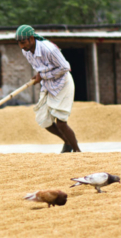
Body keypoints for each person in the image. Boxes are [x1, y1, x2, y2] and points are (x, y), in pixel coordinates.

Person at [16, 24, 80, 153]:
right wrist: (39, 75)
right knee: (44, 120)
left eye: (23, 42)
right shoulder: (26, 51)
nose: (22, 46)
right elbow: (40, 67)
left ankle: (77, 151)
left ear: (31, 39)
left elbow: (65, 67)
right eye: (19, 43)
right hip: (48, 85)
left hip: (63, 84)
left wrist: (43, 75)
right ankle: (67, 142)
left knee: (61, 123)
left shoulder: (49, 49)